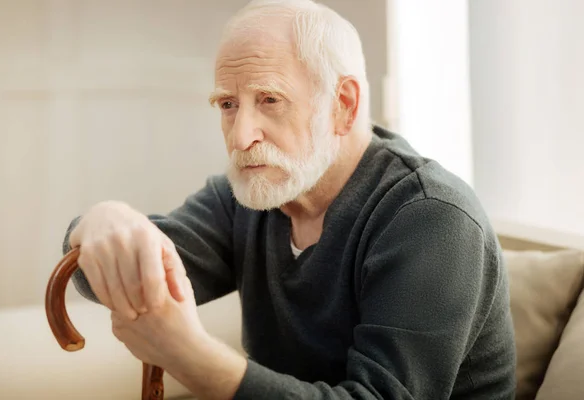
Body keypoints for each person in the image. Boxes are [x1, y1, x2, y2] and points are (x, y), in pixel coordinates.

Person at [62, 0, 517, 398]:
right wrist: (102, 222)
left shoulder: (430, 217)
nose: (241, 137)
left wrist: (188, 355)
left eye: (270, 100)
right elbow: (103, 274)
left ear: (344, 104)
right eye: (227, 104)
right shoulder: (248, 196)